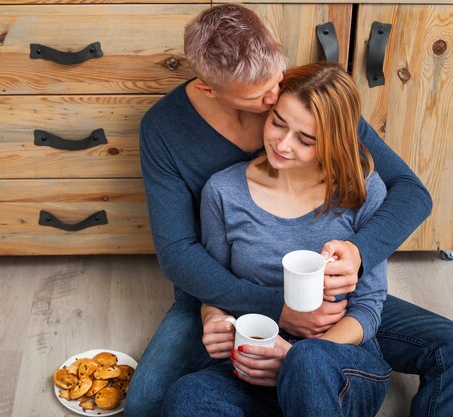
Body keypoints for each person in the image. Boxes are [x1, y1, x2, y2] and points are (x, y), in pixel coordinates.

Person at [125, 4, 453, 417]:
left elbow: (410, 194)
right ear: (209, 88)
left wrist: (358, 254)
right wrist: (268, 310)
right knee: (147, 405)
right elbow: (179, 254)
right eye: (265, 106)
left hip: (331, 298)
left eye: (276, 82)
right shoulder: (172, 137)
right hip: (229, 286)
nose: (274, 99)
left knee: (429, 347)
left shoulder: (307, 99)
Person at [162, 61, 391, 417]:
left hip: (335, 359)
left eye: (306, 139)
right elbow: (214, 288)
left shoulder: (361, 190)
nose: (283, 145)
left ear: (333, 141)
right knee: (188, 394)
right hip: (253, 356)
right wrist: (213, 320)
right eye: (278, 123)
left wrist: (293, 358)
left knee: (308, 363)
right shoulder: (224, 192)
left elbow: (369, 307)